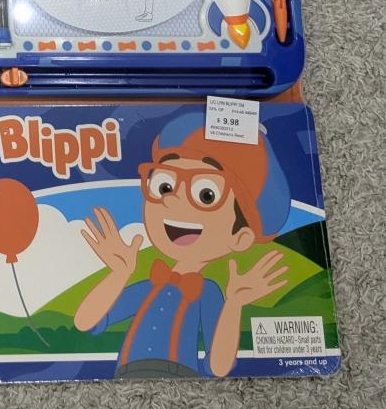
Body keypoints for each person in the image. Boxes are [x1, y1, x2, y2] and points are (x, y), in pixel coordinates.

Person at [74, 115, 291, 378]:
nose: (173, 200)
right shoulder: (150, 285)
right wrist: (118, 274)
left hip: (179, 377)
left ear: (240, 237)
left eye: (206, 194)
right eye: (165, 186)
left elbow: (218, 367)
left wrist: (234, 304)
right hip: (126, 374)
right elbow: (86, 322)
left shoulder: (208, 292)